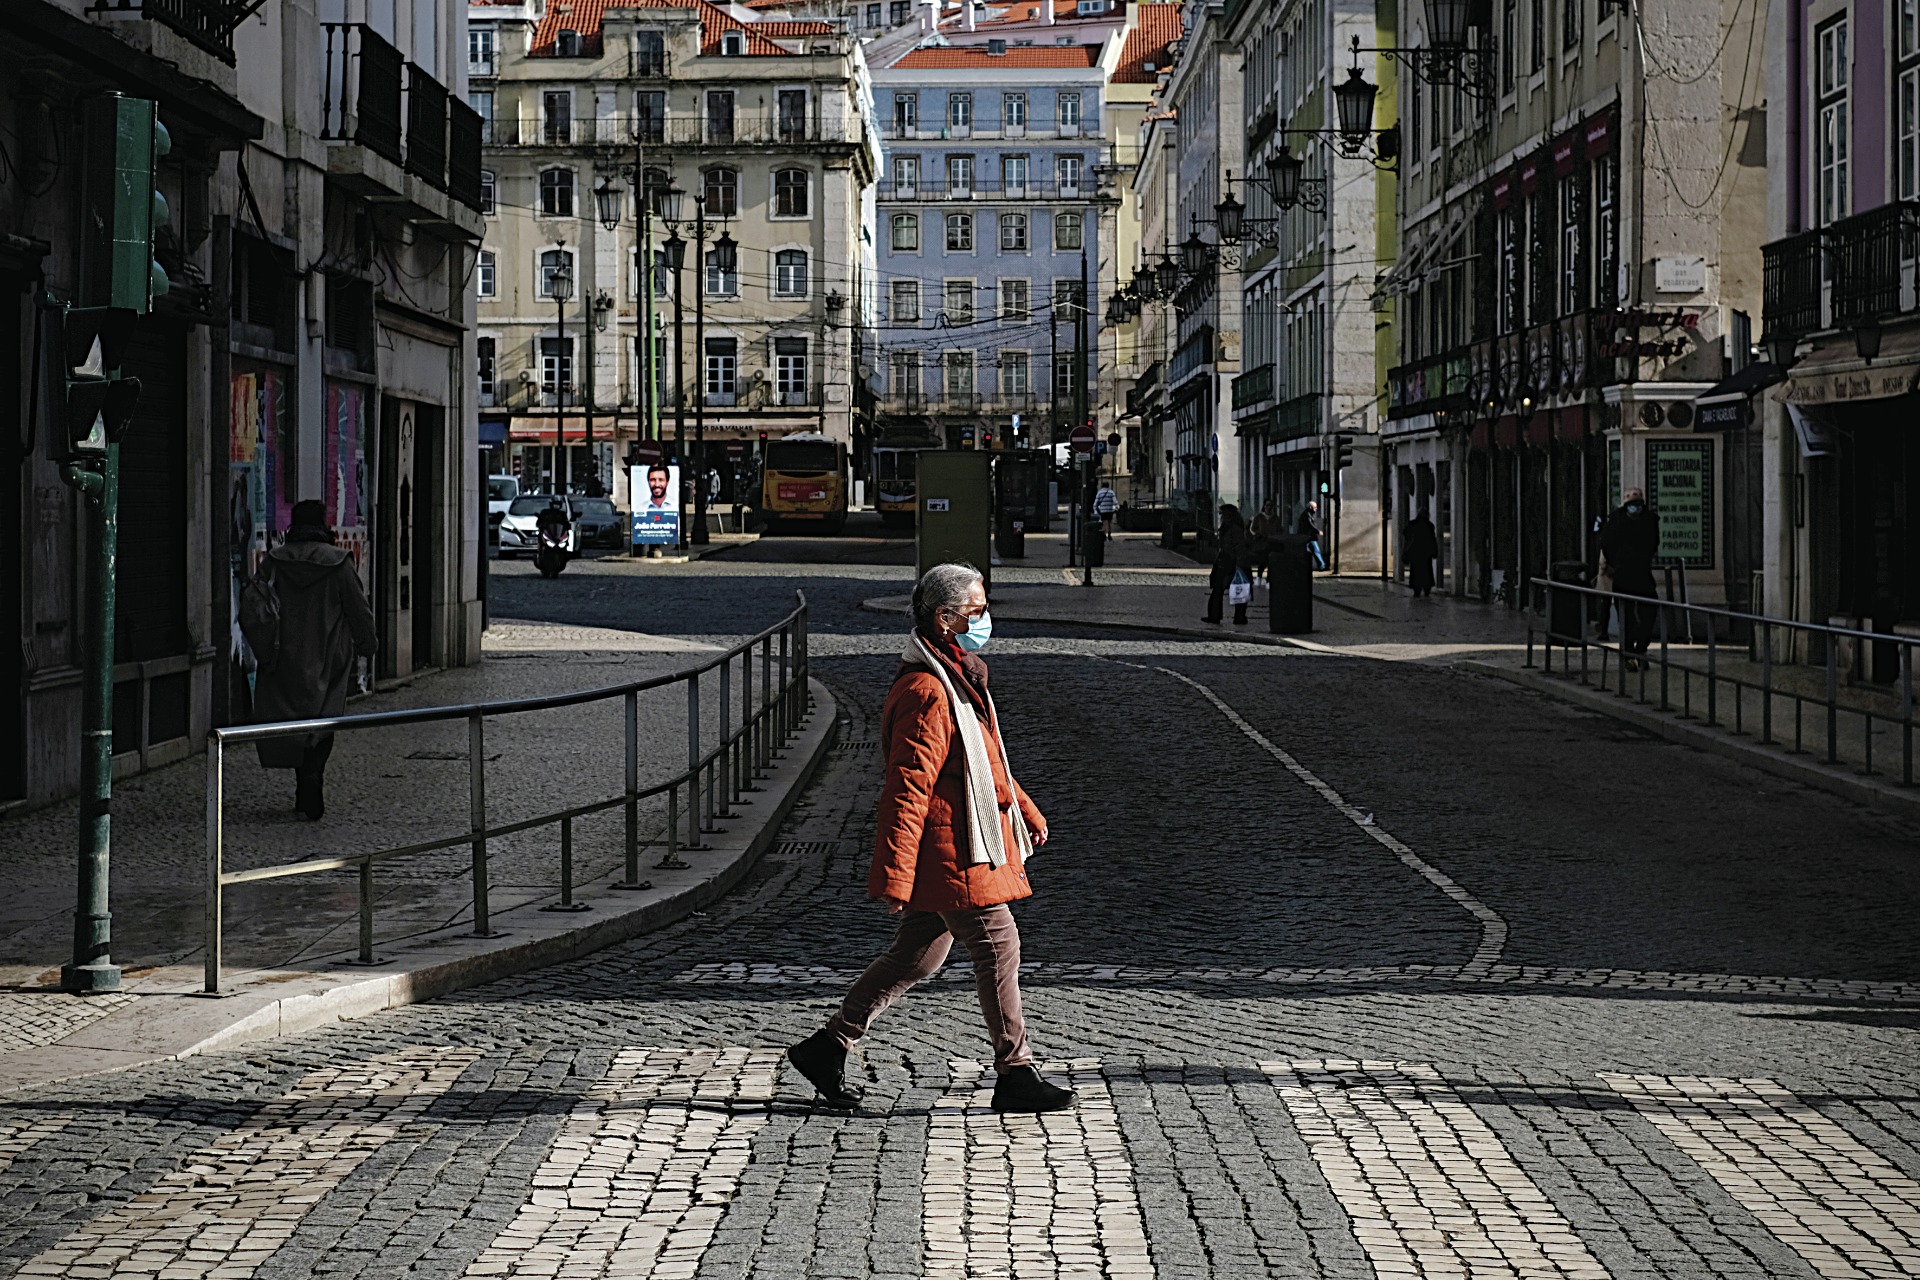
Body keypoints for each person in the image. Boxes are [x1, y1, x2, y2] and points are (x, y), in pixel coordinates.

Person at [788, 563, 1073, 1115]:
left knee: (918, 955)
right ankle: (1015, 1071)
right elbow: (907, 790)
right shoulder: (927, 692)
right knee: (999, 944)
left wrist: (1027, 809)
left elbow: (983, 763)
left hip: (958, 842)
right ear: (945, 620)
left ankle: (827, 1047)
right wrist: (894, 876)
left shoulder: (955, 674)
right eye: (977, 611)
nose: (986, 620)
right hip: (952, 851)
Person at [252, 501, 376, 821]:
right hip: (327, 659)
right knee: (322, 722)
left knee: (293, 722)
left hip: (284, 657)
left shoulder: (273, 562)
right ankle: (313, 775)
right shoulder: (338, 563)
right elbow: (358, 608)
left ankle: (302, 779)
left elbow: (254, 606)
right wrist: (367, 643)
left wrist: (264, 648)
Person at [1600, 487, 1661, 670]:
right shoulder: (1616, 521)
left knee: (1649, 612)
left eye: (1638, 505)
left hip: (1643, 574)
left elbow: (1653, 542)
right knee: (1626, 618)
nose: (1635, 508)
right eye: (1632, 505)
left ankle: (1640, 650)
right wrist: (1615, 563)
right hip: (1623, 575)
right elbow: (1606, 543)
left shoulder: (1649, 521)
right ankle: (1627, 655)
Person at [1205, 504, 1252, 625]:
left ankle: (1239, 617)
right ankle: (1215, 615)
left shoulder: (1234, 528)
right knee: (1218, 589)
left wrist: (1240, 566)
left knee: (1238, 589)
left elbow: (1239, 547)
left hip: (1233, 563)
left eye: (1223, 514)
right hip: (1225, 561)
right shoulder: (1227, 527)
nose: (1221, 516)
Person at [1404, 508, 1439, 598]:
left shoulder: (1412, 524)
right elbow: (1432, 540)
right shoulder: (1430, 525)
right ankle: (1426, 588)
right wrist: (1435, 552)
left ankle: (1417, 589)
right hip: (1426, 553)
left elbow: (1406, 535)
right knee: (1427, 571)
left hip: (1415, 553)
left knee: (1415, 571)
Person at [1296, 500, 1327, 570]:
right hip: (1308, 536)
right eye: (1315, 507)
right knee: (1315, 551)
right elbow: (1310, 525)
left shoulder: (1307, 514)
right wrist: (1317, 531)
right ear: (1310, 507)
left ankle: (1321, 565)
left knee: (1313, 551)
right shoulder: (1307, 514)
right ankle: (1322, 565)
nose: (1316, 509)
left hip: (1307, 536)